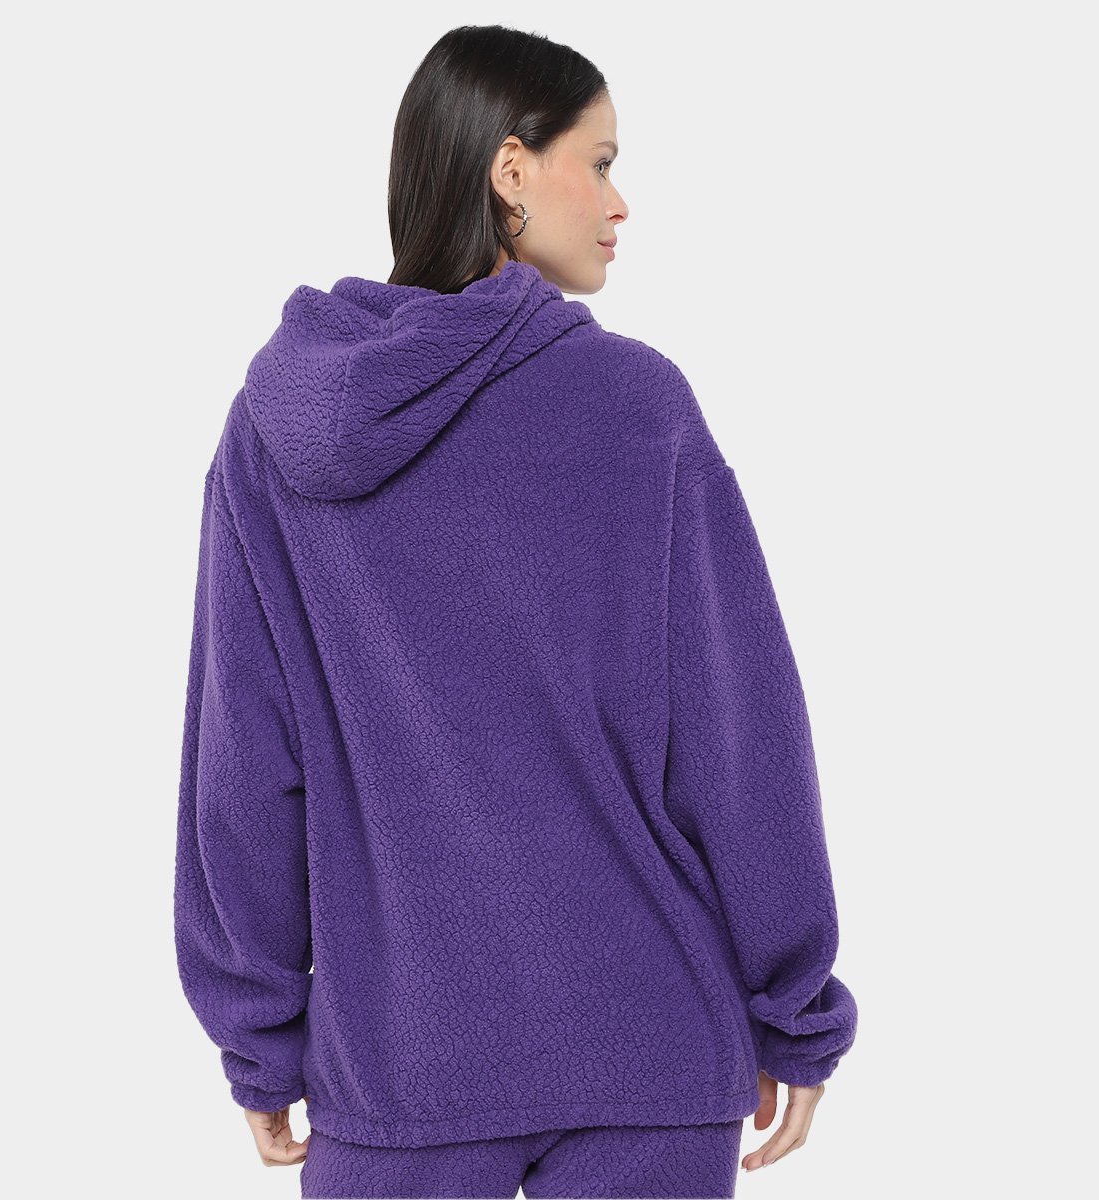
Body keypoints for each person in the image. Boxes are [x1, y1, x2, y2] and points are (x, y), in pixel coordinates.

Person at [173, 23, 858, 1200]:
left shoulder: (279, 428)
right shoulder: (636, 406)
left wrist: (259, 1036)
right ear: (510, 169)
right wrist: (793, 1006)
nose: (620, 202)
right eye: (601, 162)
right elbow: (740, 741)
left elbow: (244, 766)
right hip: (650, 1041)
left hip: (399, 1066)